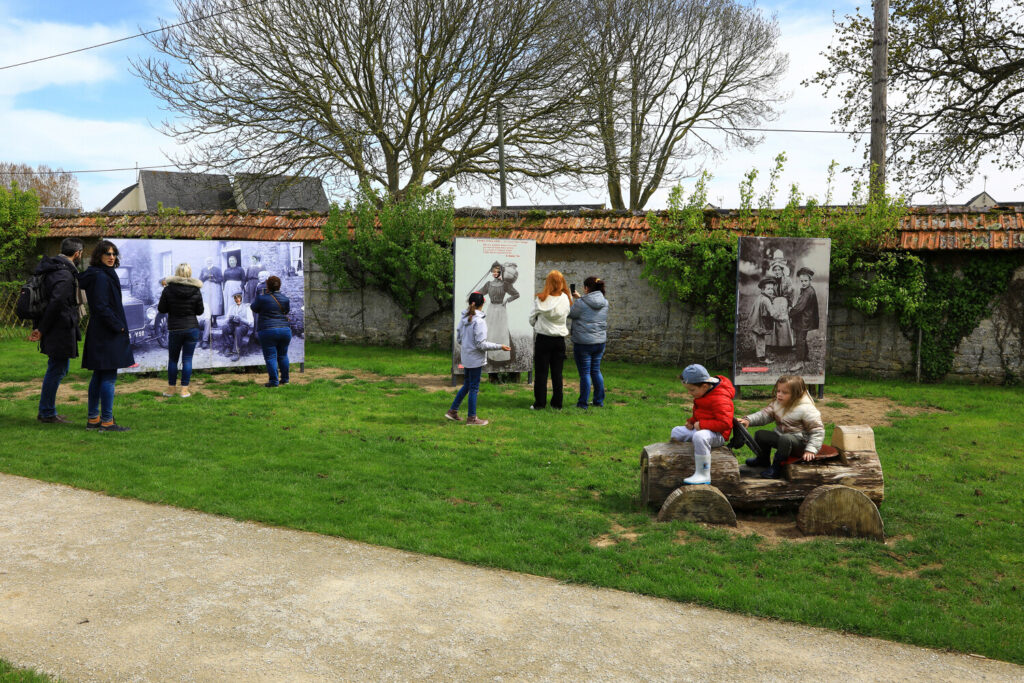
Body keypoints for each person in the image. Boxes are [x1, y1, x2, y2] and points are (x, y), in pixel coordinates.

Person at [78, 240, 135, 432]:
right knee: (108, 376)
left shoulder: (99, 274)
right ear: (99, 256)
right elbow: (101, 306)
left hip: (100, 330)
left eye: (113, 254)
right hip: (107, 331)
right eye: (107, 254)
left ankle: (93, 420)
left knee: (99, 375)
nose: (111, 257)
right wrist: (118, 326)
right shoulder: (101, 276)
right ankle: (107, 421)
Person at [28, 237, 84, 423]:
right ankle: (46, 412)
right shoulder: (64, 274)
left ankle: (47, 410)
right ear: (77, 254)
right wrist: (42, 329)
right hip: (59, 328)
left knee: (58, 368)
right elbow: (56, 303)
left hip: (54, 326)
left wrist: (40, 327)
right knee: (56, 369)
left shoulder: (51, 269)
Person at [737, 374, 825, 479]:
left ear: (796, 394)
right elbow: (764, 415)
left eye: (785, 392)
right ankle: (762, 461)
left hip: (801, 445)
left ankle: (777, 468)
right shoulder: (778, 404)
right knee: (760, 434)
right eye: (778, 391)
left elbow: (818, 430)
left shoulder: (806, 409)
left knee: (786, 438)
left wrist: (811, 449)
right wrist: (748, 420)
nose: (779, 395)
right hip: (784, 439)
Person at [446, 292, 510, 426]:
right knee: (474, 388)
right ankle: (472, 418)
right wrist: (500, 346)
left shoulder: (463, 319)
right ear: (483, 304)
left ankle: (452, 411)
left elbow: (459, 339)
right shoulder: (479, 322)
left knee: (468, 385)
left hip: (466, 357)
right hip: (475, 360)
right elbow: (481, 344)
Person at [669, 364, 735, 485]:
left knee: (699, 437)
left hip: (718, 435)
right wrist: (692, 421)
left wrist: (702, 424)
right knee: (676, 431)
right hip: (704, 428)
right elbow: (702, 413)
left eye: (692, 390)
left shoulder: (720, 398)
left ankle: (703, 473)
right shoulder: (704, 393)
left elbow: (725, 423)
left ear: (704, 386)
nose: (689, 393)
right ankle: (680, 462)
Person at [157, 263, 204, 397]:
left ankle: (171, 390)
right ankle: (184, 390)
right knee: (187, 359)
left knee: (173, 360)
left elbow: (161, 309)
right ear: (189, 273)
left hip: (175, 328)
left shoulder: (168, 289)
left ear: (177, 273)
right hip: (191, 328)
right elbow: (200, 311)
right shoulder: (196, 290)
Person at [529, 269, 572, 410]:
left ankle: (540, 404)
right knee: (557, 373)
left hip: (543, 339)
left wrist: (537, 324)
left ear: (548, 282)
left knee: (541, 373)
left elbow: (531, 318)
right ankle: (557, 404)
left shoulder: (541, 299)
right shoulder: (566, 298)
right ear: (561, 282)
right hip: (559, 340)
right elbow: (566, 314)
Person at [568, 276, 608, 409]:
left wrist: (573, 299)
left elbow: (571, 314)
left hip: (583, 343)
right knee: (596, 371)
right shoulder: (605, 302)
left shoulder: (581, 302)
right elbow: (589, 307)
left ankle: (582, 404)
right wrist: (580, 299)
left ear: (586, 288)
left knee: (584, 373)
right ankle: (598, 401)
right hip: (600, 342)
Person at [250, 275, 291, 387]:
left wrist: (262, 296)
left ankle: (274, 382)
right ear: (279, 286)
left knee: (270, 356)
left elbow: (253, 308)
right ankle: (285, 380)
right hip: (284, 329)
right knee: (283, 355)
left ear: (267, 285)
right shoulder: (285, 299)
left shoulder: (261, 298)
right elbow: (286, 312)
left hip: (268, 330)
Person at [481, 261, 519, 363]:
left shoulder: (505, 284)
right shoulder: (488, 284)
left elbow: (516, 294)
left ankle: (502, 358)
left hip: (501, 310)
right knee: (490, 331)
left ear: (501, 272)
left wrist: (507, 300)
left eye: (497, 271)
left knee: (501, 332)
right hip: (491, 309)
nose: (494, 273)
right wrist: (473, 296)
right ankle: (489, 357)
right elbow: (480, 292)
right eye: (493, 271)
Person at [789, 267, 820, 371]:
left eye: (806, 281)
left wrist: (790, 313)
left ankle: (799, 362)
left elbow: (799, 307)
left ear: (810, 280)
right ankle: (805, 356)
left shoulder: (808, 292)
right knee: (802, 338)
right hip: (804, 318)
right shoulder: (807, 290)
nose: (803, 283)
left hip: (804, 319)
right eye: (801, 281)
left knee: (800, 340)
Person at [749, 277, 776, 363]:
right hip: (759, 323)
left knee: (758, 340)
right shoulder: (766, 300)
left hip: (754, 322)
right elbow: (772, 312)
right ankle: (761, 358)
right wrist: (780, 315)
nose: (771, 291)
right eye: (768, 289)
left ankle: (756, 355)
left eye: (772, 288)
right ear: (763, 290)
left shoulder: (760, 297)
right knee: (761, 340)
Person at [223, 291, 254, 361]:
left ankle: (236, 352)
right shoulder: (231, 307)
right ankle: (228, 347)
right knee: (224, 327)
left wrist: (241, 319)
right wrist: (229, 319)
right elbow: (225, 320)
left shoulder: (247, 307)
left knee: (238, 329)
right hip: (233, 326)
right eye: (235, 298)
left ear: (241, 298)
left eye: (238, 297)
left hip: (243, 327)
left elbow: (251, 323)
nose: (237, 299)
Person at [199, 257, 224, 321]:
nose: (209, 262)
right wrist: (204, 277)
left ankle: (215, 320)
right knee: (207, 303)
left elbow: (221, 278)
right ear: (206, 262)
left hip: (215, 287)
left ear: (212, 261)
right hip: (206, 287)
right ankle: (210, 321)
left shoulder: (217, 269)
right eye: (207, 261)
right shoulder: (203, 269)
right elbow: (200, 279)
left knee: (215, 303)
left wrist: (214, 280)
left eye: (210, 261)